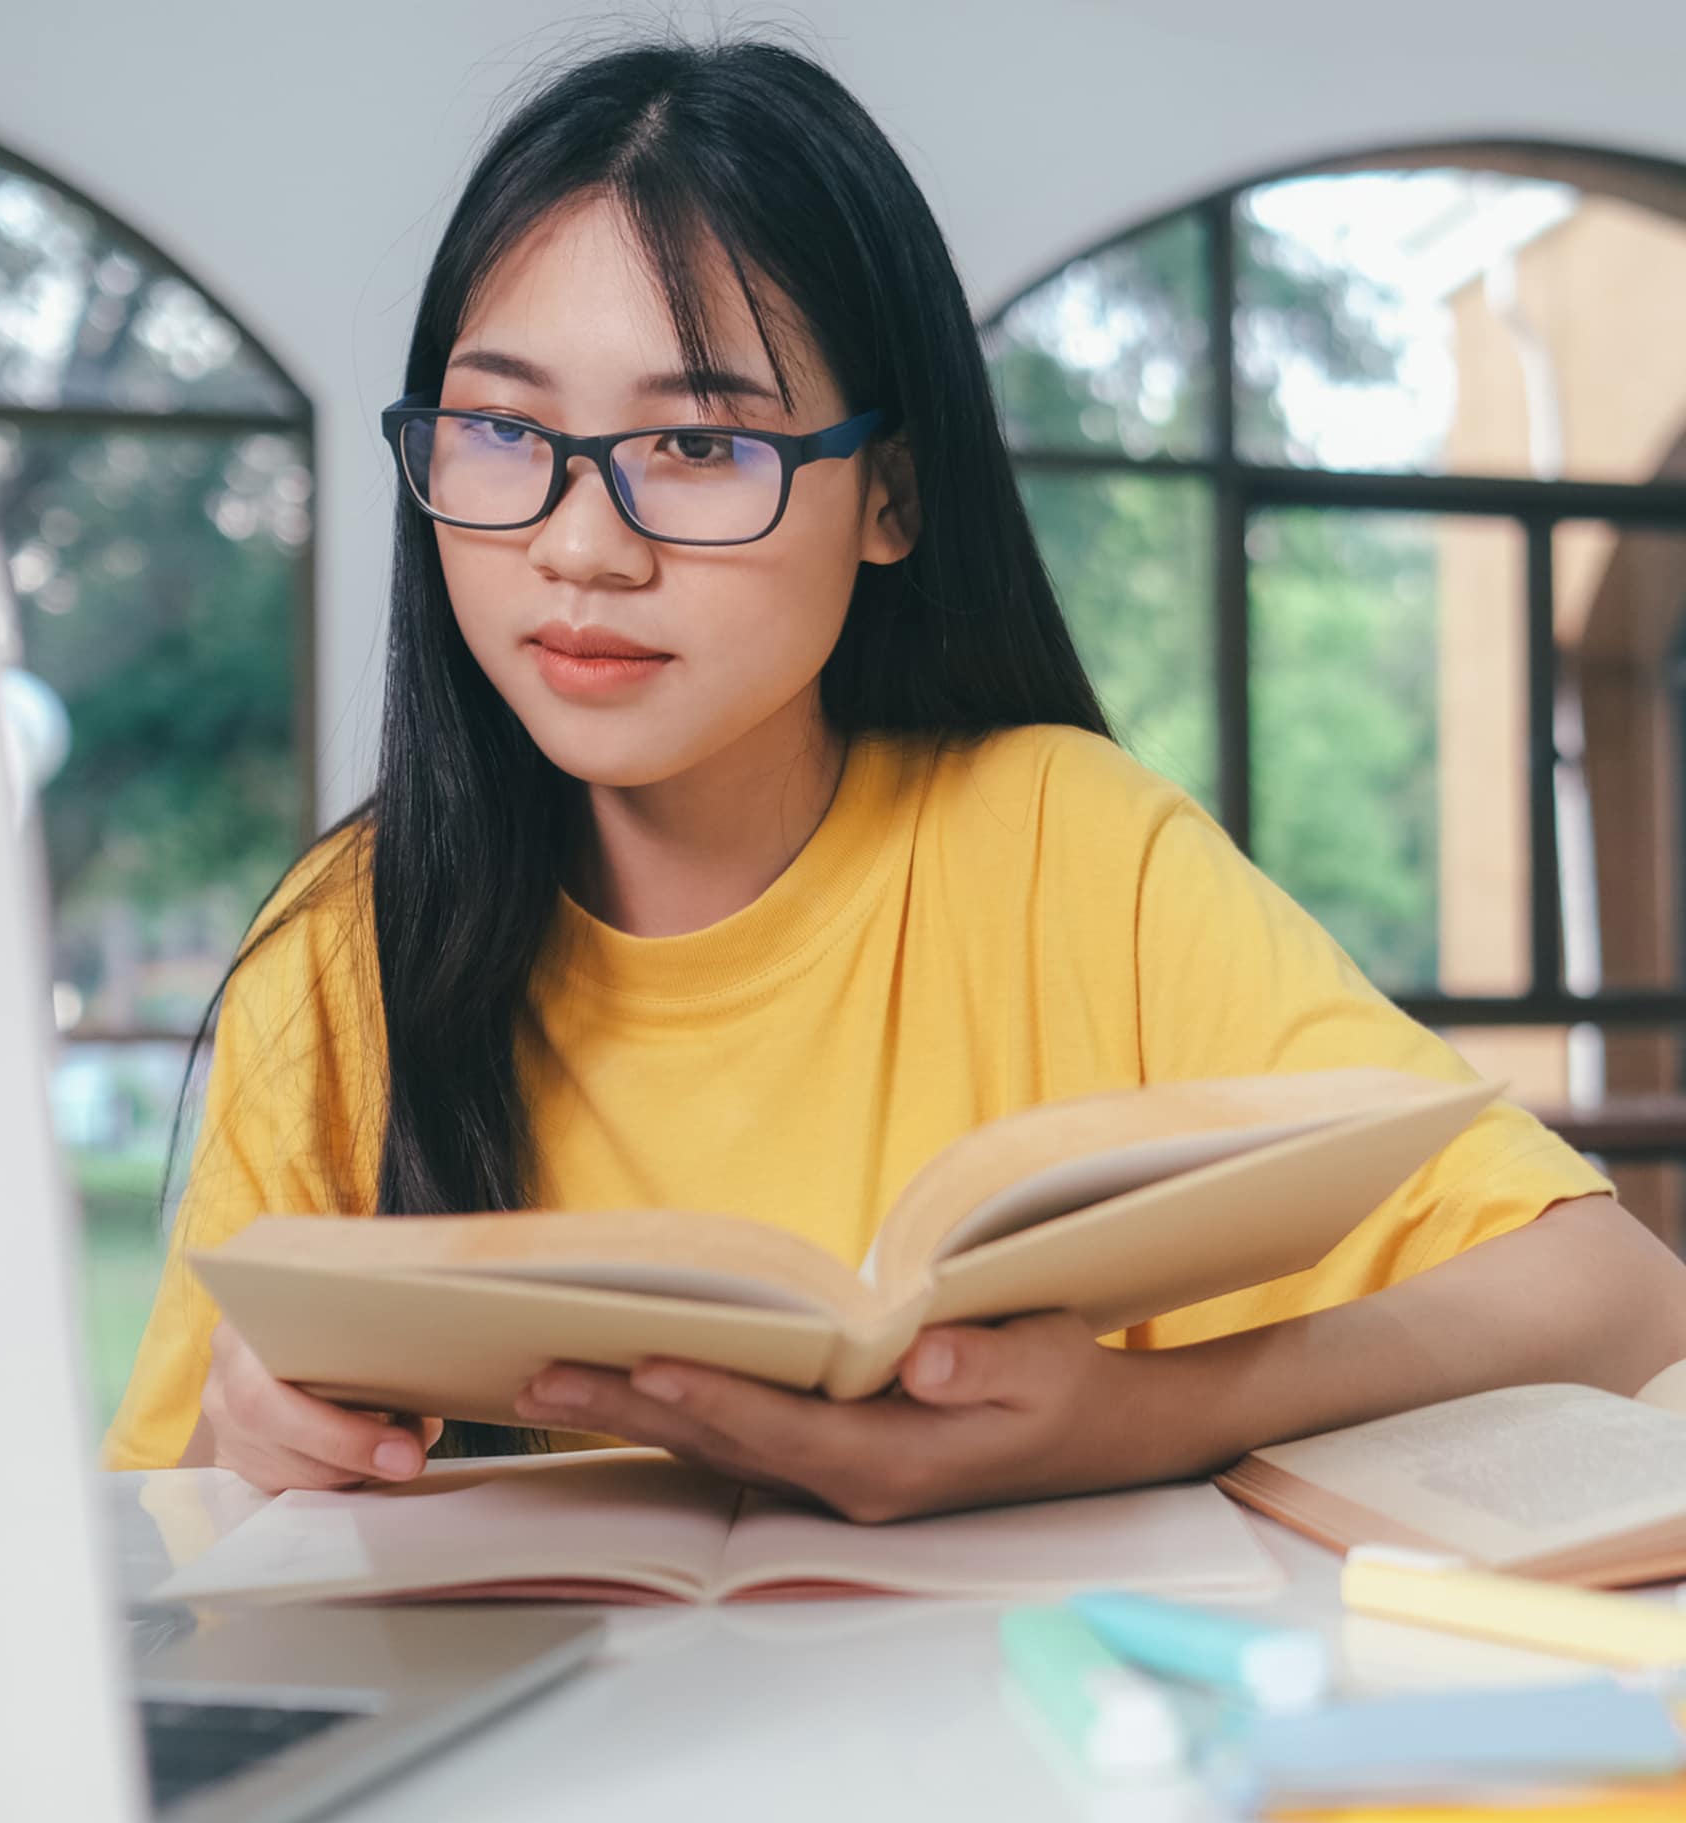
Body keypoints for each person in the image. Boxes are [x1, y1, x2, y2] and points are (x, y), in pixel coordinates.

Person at [102, 33, 1686, 1515]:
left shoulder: (1066, 850)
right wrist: (247, 1448)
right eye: (502, 433)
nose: (579, 546)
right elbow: (155, 1537)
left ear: (892, 498)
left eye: (699, 448)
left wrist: (1152, 1416)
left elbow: (1618, 1295)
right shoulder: (348, 943)